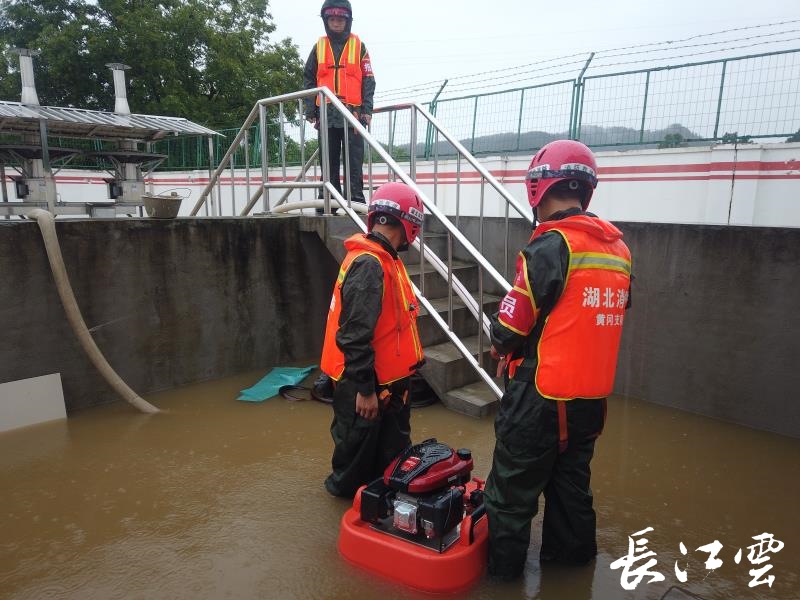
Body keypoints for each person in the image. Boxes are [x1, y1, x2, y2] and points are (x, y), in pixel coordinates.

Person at [483, 140, 633, 579]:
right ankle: (571, 579)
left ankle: (503, 582)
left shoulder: (550, 246)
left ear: (538, 187)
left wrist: (503, 343)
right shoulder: (619, 251)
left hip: (539, 402)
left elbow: (509, 328)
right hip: (589, 404)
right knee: (572, 494)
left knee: (509, 497)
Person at [319, 182, 425, 497]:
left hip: (388, 386)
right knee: (353, 466)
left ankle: (380, 513)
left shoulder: (384, 259)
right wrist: (365, 390)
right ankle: (344, 527)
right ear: (409, 223)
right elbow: (353, 336)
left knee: (388, 460)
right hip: (367, 387)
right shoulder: (370, 264)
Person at [304, 0, 375, 215]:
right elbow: (308, 78)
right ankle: (328, 199)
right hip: (326, 113)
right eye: (332, 19)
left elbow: (369, 79)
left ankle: (356, 200)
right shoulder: (319, 46)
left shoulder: (359, 46)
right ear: (326, 21)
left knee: (354, 159)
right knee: (329, 158)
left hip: (353, 113)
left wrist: (367, 110)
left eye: (340, 19)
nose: (336, 23)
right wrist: (310, 110)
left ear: (348, 21)